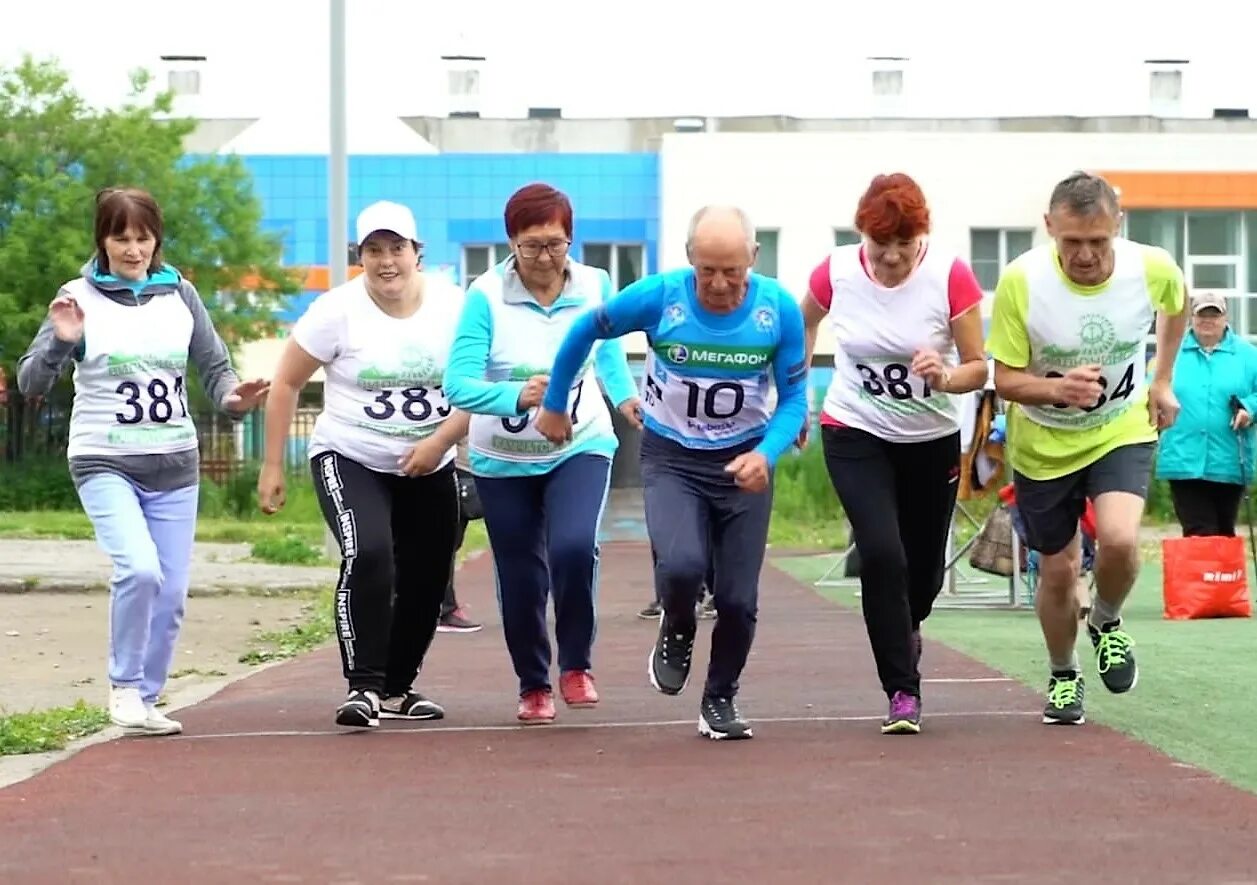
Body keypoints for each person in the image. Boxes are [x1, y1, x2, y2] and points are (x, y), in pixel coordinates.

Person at [535, 205, 809, 741]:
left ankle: (720, 698)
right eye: (708, 270)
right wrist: (554, 402)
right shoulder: (661, 296)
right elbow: (585, 330)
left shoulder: (777, 309)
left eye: (733, 270)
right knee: (682, 566)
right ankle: (678, 622)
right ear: (690, 260)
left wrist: (768, 454)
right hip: (673, 458)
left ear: (753, 258)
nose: (721, 284)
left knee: (737, 598)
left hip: (743, 462)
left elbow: (795, 397)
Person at [16, 186, 268, 736]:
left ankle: (147, 699)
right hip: (105, 460)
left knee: (172, 591)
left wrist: (234, 400)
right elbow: (31, 382)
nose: (133, 250)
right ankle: (124, 686)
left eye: (143, 238)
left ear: (157, 241)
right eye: (120, 238)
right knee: (139, 569)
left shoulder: (179, 294)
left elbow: (215, 368)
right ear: (102, 241)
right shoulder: (76, 297)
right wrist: (62, 341)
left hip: (175, 463)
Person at [986, 170, 1187, 726]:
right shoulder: (1021, 281)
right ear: (1050, 228)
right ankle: (1063, 674)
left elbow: (1178, 302)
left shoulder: (1150, 266)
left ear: (1117, 227)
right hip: (1043, 441)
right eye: (1071, 242)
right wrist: (1056, 389)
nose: (1085, 255)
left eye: (1097, 242)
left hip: (1119, 425)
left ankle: (1106, 619)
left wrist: (1162, 379)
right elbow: (1003, 378)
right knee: (1058, 569)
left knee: (1121, 540)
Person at [258, 200, 468, 729]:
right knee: (369, 552)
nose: (386, 261)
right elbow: (284, 382)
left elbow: (478, 390)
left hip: (430, 459)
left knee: (428, 572)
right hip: (351, 455)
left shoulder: (455, 308)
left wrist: (442, 443)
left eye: (397, 248)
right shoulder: (337, 310)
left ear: (418, 254)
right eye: (374, 251)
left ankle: (399, 688)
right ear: (360, 257)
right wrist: (271, 467)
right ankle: (364, 686)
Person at [443, 182, 641, 725]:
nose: (544, 258)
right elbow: (456, 384)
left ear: (570, 240)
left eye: (554, 244)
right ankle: (533, 682)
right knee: (522, 574)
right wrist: (515, 395)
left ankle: (576, 664)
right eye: (531, 246)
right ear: (511, 243)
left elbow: (608, 353)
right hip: (503, 458)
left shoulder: (597, 285)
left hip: (581, 444)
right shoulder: (483, 297)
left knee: (575, 547)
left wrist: (625, 399)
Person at [799, 173, 989, 734]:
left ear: (920, 239)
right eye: (881, 251)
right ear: (865, 237)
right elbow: (800, 323)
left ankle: (908, 624)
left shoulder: (948, 275)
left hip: (929, 442)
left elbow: (981, 366)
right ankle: (901, 692)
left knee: (922, 575)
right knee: (882, 553)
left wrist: (948, 375)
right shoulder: (834, 271)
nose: (892, 263)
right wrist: (794, 395)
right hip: (854, 430)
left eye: (903, 251)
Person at [1155, 290, 1257, 537]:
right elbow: (1152, 387)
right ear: (1191, 318)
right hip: (1183, 457)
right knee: (1199, 531)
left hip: (1230, 458)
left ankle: (1219, 576)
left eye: (1214, 314)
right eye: (1202, 315)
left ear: (1225, 318)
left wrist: (1249, 409)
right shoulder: (1172, 353)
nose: (1207, 320)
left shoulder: (1248, 355)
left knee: (1223, 532)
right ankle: (1203, 576)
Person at [438, 440, 485, 633]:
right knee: (444, 540)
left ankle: (444, 608)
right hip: (454, 463)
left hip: (470, 463)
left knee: (448, 541)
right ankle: (444, 609)